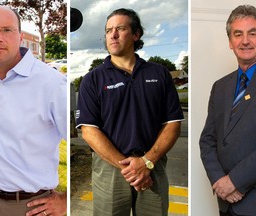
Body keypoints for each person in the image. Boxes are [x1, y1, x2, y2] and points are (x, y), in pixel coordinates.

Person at [76, 8, 184, 216]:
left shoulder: (159, 74)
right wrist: (131, 169)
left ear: (136, 35)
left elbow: (173, 124)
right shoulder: (92, 79)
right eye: (108, 31)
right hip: (110, 169)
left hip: (152, 165)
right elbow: (89, 131)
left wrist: (146, 162)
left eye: (120, 29)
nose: (113, 35)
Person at [0, 6, 67, 216]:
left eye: (6, 30)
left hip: (28, 206)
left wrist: (66, 201)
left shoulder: (52, 85)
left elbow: (86, 136)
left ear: (21, 37)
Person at [199, 4, 256, 216]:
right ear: (230, 42)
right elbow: (207, 140)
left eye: (253, 33)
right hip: (226, 203)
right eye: (238, 34)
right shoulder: (220, 87)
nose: (245, 41)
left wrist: (235, 181)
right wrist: (219, 181)